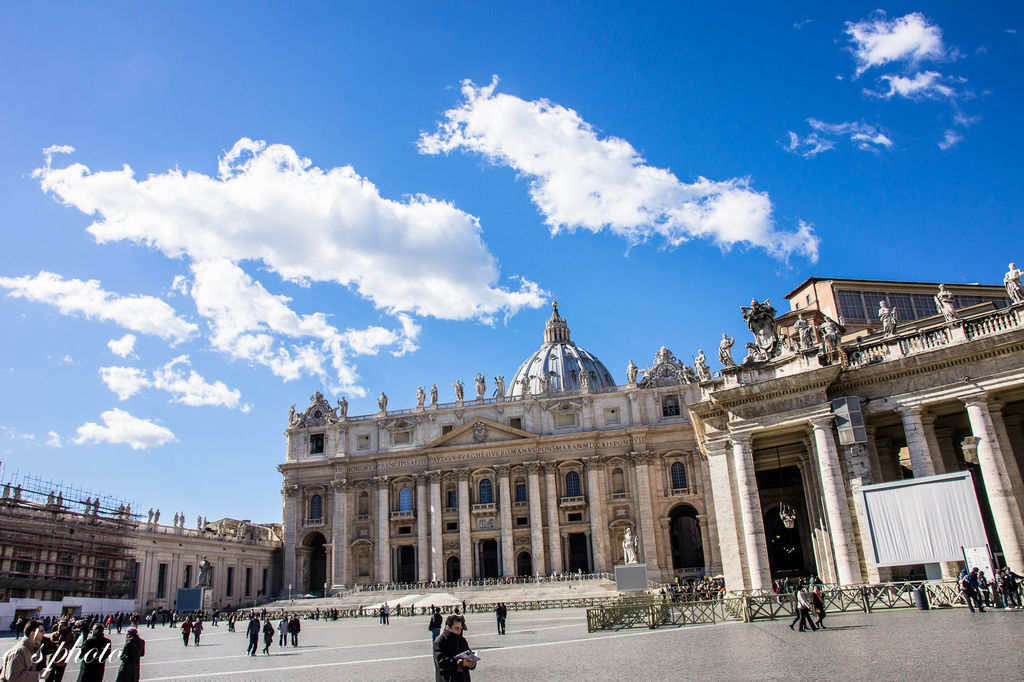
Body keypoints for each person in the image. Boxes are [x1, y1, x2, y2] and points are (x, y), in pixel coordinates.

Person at [433, 614, 476, 682]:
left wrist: (472, 663)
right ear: (448, 627)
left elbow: (470, 655)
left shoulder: (462, 640)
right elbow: (442, 662)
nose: (459, 631)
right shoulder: (440, 642)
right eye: (456, 628)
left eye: (460, 628)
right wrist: (460, 663)